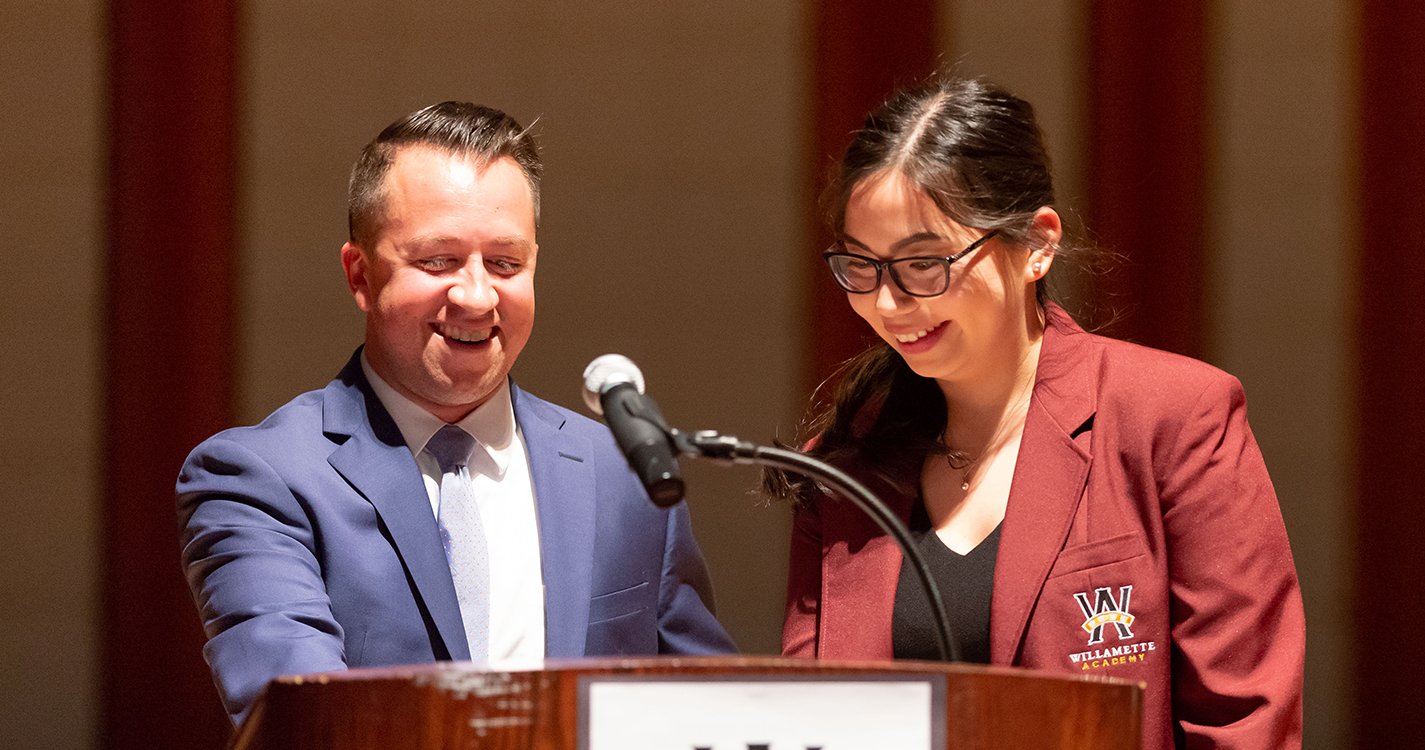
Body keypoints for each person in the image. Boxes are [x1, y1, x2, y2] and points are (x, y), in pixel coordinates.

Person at [775, 78, 1304, 750]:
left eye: (922, 263)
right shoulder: (843, 466)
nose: (887, 302)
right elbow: (804, 721)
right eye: (861, 266)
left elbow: (1244, 722)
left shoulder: (1171, 417)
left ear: (1036, 243)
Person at [178, 102, 735, 724]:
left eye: (505, 263)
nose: (476, 296)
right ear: (360, 275)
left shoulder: (623, 472)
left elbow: (705, 714)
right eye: (438, 261)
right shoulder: (261, 477)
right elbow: (303, 722)